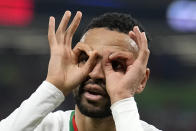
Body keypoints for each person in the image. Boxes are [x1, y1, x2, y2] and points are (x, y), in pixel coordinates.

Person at [0, 11, 161, 131]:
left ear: (141, 80)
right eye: (86, 58)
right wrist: (53, 87)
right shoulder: (41, 126)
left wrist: (122, 99)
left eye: (116, 65)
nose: (96, 73)